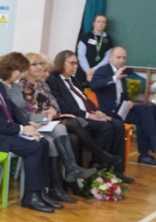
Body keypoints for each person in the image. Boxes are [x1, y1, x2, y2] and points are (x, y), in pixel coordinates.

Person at [0, 51, 54, 213]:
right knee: (33, 147)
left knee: (43, 142)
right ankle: (31, 196)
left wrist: (27, 125)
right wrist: (21, 129)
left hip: (1, 133)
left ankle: (41, 191)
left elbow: (12, 109)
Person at [0, 52, 93, 204]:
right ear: (11, 69)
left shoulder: (15, 86)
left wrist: (49, 112)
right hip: (20, 126)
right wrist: (29, 123)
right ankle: (48, 188)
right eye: (20, 70)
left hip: (32, 122)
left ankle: (61, 180)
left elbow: (30, 108)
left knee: (61, 130)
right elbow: (16, 112)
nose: (21, 74)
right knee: (50, 142)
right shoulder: (5, 87)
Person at [45, 50, 130, 183]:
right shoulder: (53, 79)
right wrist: (89, 115)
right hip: (75, 116)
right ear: (61, 62)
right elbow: (63, 105)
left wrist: (97, 111)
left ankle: (117, 171)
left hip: (88, 114)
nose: (75, 66)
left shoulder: (73, 79)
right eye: (71, 63)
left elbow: (85, 99)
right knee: (105, 127)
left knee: (118, 125)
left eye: (76, 63)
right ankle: (98, 163)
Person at [91, 47, 156, 166]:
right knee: (143, 118)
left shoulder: (122, 71)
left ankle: (150, 148)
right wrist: (114, 78)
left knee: (146, 110)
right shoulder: (103, 70)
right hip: (109, 111)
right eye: (118, 57)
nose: (121, 60)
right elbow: (94, 85)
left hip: (122, 109)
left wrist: (128, 100)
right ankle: (153, 145)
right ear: (110, 57)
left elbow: (123, 93)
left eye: (124, 58)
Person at [76, 14, 113, 85]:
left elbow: (107, 58)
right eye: (98, 22)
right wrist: (88, 71)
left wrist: (94, 69)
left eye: (103, 22)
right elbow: (81, 56)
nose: (101, 24)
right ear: (94, 23)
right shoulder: (86, 37)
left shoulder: (108, 39)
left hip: (99, 72)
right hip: (83, 71)